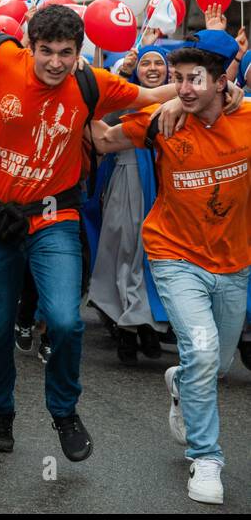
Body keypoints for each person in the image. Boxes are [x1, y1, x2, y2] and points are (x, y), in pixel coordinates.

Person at [0, 3, 178, 461]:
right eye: (47, 51)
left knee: (67, 321)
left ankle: (65, 411)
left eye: (66, 53)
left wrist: (203, 91)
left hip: (55, 219)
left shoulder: (92, 82)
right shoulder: (2, 58)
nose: (56, 62)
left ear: (79, 53)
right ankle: (0, 412)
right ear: (29, 47)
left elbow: (153, 95)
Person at [93, 30, 251, 504]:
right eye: (177, 79)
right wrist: (83, 92)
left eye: (193, 79)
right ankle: (206, 459)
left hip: (234, 262)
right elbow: (102, 141)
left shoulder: (246, 119)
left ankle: (182, 382)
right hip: (174, 253)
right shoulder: (160, 122)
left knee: (214, 364)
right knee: (203, 355)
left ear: (222, 81)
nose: (181, 88)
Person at [87, 41, 171, 362]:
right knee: (124, 247)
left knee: (153, 253)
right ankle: (125, 325)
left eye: (158, 64)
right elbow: (101, 122)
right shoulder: (126, 96)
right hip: (128, 177)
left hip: (165, 185)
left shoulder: (179, 99)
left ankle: (148, 324)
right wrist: (120, 73)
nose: (152, 69)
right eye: (146, 63)